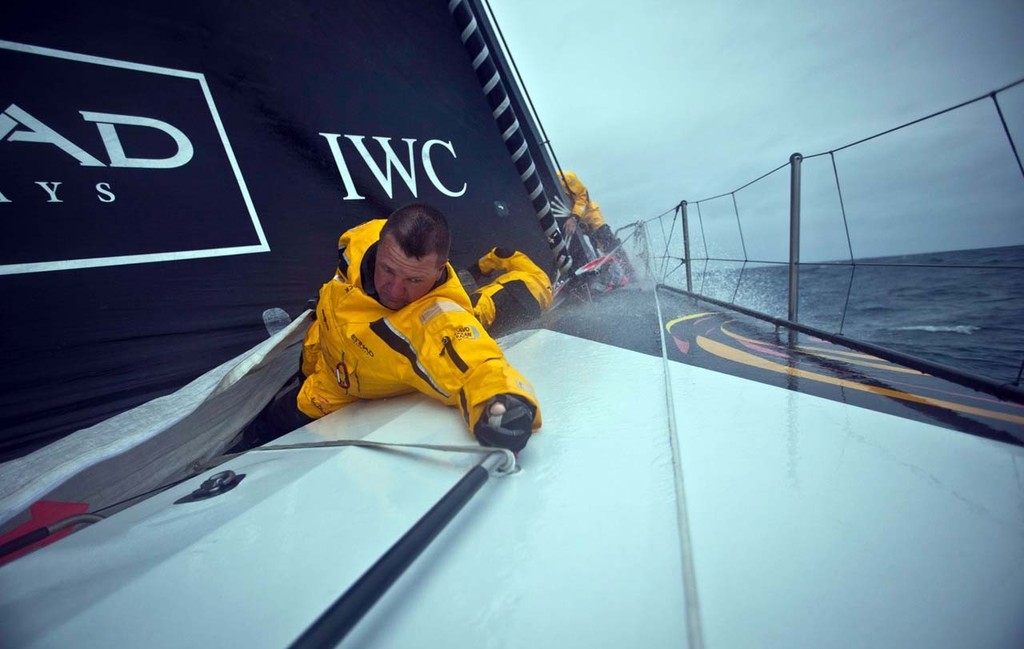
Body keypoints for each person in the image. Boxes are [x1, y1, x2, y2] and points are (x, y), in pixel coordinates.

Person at [240, 203, 542, 453]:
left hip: (335, 391)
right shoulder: (359, 241)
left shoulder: (436, 318)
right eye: (387, 269)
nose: (395, 290)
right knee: (265, 415)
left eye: (414, 281)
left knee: (273, 424)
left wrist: (502, 403)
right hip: (318, 348)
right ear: (380, 243)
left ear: (440, 271)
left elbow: (477, 363)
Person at [465, 247, 554, 335]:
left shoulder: (539, 275)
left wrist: (478, 268)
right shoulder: (543, 284)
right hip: (531, 313)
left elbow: (504, 253)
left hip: (513, 291)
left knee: (472, 311)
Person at [556, 170, 623, 254]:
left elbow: (582, 196)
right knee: (581, 248)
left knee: (607, 239)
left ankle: (625, 264)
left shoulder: (566, 177)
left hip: (589, 213)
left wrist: (574, 217)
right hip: (570, 220)